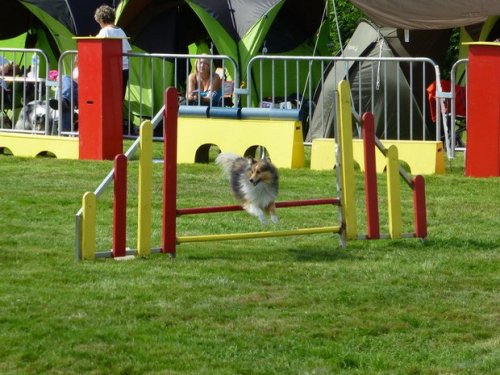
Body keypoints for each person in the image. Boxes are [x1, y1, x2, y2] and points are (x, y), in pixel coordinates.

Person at [94, 4, 132, 99]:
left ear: (102, 21)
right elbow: (129, 50)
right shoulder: (120, 30)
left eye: (99, 23)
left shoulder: (105, 31)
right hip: (124, 69)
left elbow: (95, 47)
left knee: (108, 97)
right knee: (119, 98)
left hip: (111, 70)